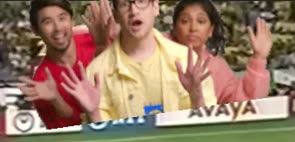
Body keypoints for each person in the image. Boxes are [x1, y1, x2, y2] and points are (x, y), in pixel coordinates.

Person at [61, 0, 217, 123]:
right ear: (115, 15)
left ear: (155, 7)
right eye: (124, 4)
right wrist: (93, 114)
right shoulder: (97, 72)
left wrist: (197, 96)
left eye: (141, 1)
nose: (134, 10)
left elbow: (209, 134)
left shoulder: (187, 61)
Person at [20, 0, 114, 129]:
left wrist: (104, 46)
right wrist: (57, 100)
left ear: (72, 21)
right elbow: (72, 134)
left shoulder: (98, 37)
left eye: (62, 18)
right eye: (47, 22)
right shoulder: (42, 84)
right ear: (35, 30)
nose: (58, 28)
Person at [171, 0, 271, 104]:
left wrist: (259, 58)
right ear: (175, 28)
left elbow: (243, 104)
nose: (193, 28)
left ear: (211, 30)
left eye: (201, 21)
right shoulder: (161, 49)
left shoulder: (217, 67)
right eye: (185, 21)